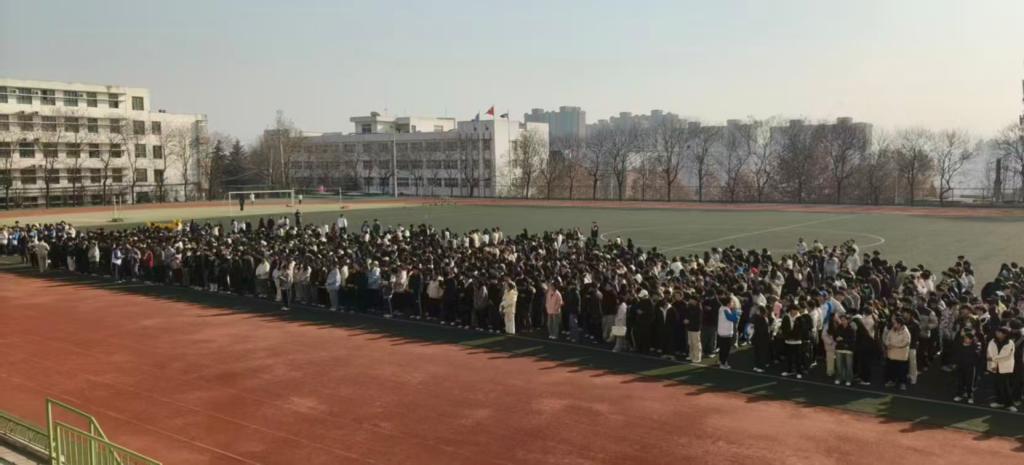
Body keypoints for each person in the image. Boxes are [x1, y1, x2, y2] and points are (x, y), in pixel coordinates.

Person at [987, 326, 1017, 411]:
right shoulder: (992, 341)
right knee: (997, 385)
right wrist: (993, 365)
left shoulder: (1010, 343)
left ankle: (1010, 404)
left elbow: (1006, 356)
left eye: (999, 332)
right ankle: (999, 402)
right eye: (997, 331)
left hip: (1005, 367)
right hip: (995, 367)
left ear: (1005, 334)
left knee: (1005, 386)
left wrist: (993, 359)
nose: (997, 333)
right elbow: (989, 352)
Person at [883, 317, 912, 390]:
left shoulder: (906, 332)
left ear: (899, 324)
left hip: (901, 356)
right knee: (891, 369)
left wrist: (894, 345)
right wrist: (887, 344)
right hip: (891, 354)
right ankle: (891, 381)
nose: (893, 325)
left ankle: (902, 383)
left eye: (895, 323)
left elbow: (906, 343)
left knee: (902, 371)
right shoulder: (892, 330)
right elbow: (887, 338)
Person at [953, 330, 981, 403]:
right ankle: (959, 395)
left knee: (969, 383)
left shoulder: (974, 347)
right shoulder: (960, 345)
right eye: (965, 338)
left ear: (971, 340)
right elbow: (956, 355)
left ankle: (970, 396)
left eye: (968, 338)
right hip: (960, 366)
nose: (966, 339)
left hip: (970, 367)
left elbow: (977, 357)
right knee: (960, 381)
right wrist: (955, 363)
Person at [831, 314, 857, 386]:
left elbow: (853, 339)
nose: (843, 321)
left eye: (844, 320)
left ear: (847, 320)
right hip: (839, 348)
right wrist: (836, 338)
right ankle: (839, 378)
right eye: (841, 320)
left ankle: (849, 379)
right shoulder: (838, 328)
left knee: (849, 366)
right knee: (839, 365)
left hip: (848, 349)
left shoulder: (851, 329)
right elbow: (834, 336)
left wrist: (843, 339)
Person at [716, 295, 740, 369]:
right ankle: (723, 364)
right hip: (726, 333)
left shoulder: (722, 308)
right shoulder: (726, 309)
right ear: (728, 303)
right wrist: (736, 312)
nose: (733, 303)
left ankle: (721, 361)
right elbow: (733, 318)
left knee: (722, 348)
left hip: (722, 332)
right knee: (726, 349)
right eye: (732, 302)